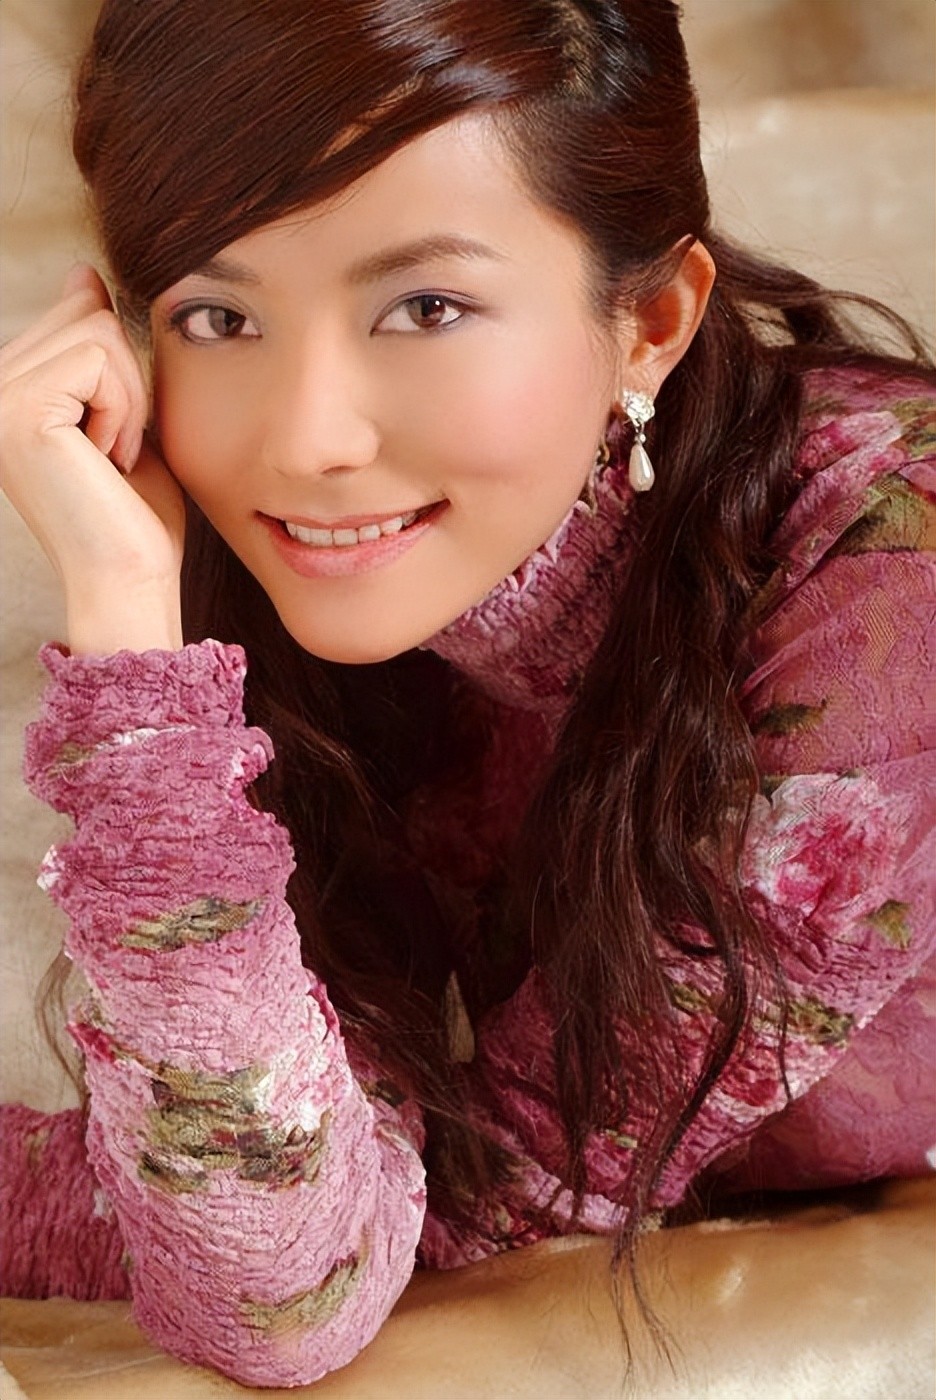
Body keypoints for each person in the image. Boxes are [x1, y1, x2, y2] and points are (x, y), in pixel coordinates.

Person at [0, 0, 933, 1392]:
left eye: (426, 307)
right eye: (218, 314)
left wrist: (140, 706)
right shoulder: (317, 596)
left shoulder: (887, 581)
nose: (307, 439)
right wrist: (137, 616)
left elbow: (334, 1266)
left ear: (652, 321)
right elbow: (290, 1218)